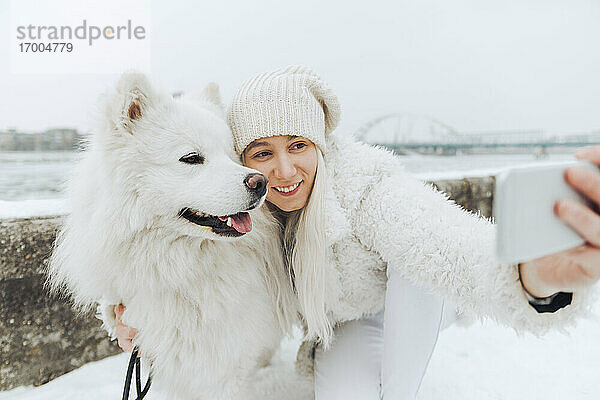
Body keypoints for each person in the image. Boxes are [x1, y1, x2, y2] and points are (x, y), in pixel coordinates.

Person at [115, 66, 600, 399]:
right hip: (351, 314)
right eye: (262, 152)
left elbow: (443, 243)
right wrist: (124, 309)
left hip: (417, 287)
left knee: (418, 279)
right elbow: (150, 256)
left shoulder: (365, 188)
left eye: (298, 145)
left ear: (321, 144)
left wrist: (531, 278)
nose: (283, 172)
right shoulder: (245, 210)